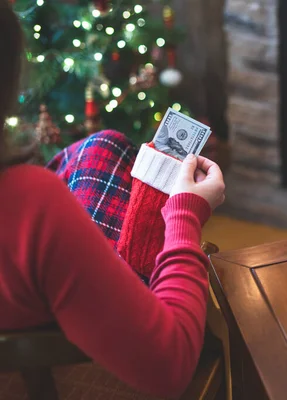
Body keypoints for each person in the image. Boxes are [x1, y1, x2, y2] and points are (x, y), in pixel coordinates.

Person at [0, 1, 226, 398]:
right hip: (64, 332)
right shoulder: (29, 202)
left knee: (104, 146)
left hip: (34, 279)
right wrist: (186, 215)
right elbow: (169, 365)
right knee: (111, 159)